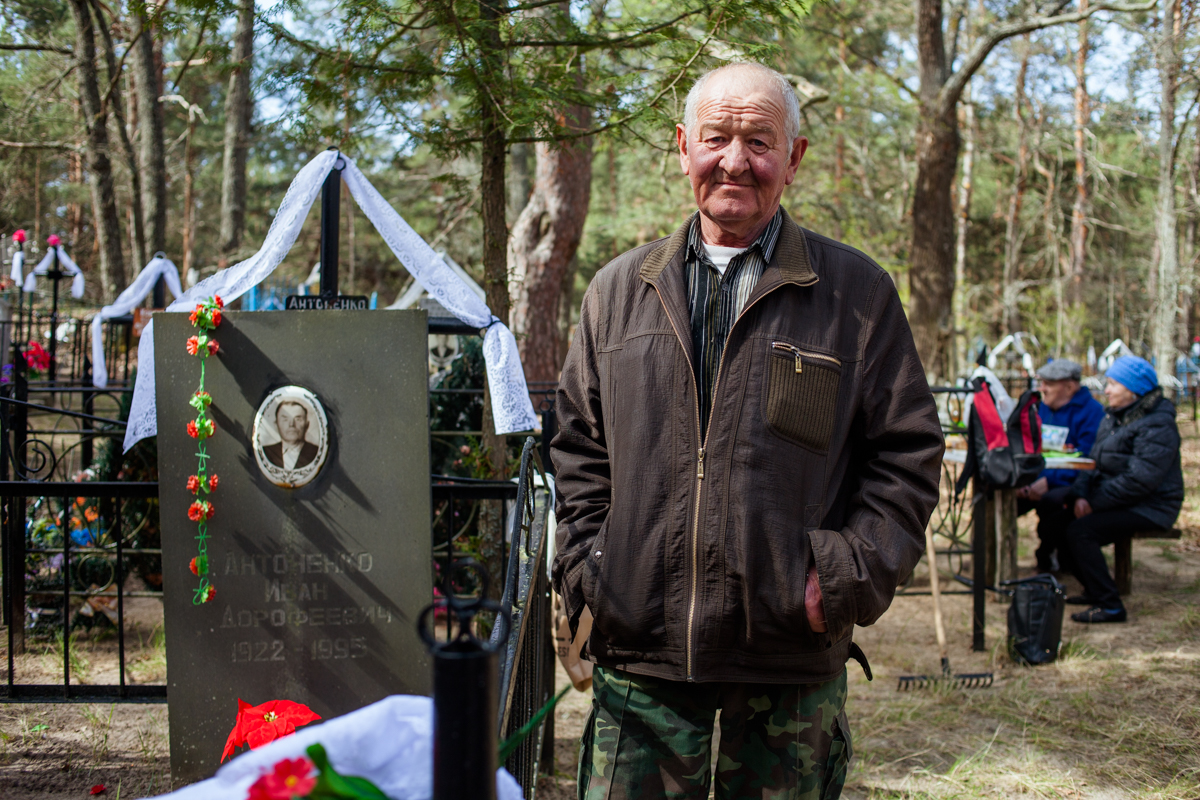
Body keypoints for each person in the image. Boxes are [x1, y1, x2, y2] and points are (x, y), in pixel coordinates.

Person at [551, 62, 944, 800]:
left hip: (788, 666)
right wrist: (594, 569)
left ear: (793, 158)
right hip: (642, 665)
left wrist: (845, 574)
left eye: (760, 141)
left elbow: (907, 455)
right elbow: (577, 447)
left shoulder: (855, 294)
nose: (736, 160)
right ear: (682, 147)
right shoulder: (617, 292)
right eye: (717, 137)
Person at [1040, 355, 1183, 623]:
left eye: (1113, 384)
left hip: (1151, 505)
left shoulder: (1157, 424)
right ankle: (1094, 590)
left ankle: (1111, 604)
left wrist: (1094, 502)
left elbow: (1140, 480)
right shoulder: (1114, 418)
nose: (1106, 390)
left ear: (1133, 389)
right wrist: (1080, 494)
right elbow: (1092, 463)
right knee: (1056, 522)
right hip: (1116, 499)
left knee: (1081, 532)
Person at [1015, 359, 1105, 572]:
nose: (1041, 388)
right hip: (1036, 479)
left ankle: (1050, 555)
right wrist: (1024, 478)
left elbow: (1088, 458)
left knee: (1052, 503)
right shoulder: (1041, 409)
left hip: (1068, 483)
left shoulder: (1092, 413)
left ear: (1070, 387)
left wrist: (1050, 481)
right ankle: (991, 561)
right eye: (1041, 382)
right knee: (997, 495)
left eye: (1048, 384)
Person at [262, 401, 319, 470]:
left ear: (307, 425)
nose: (291, 424)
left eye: (298, 419)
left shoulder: (317, 452)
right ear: (276, 425)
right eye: (285, 419)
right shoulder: (265, 452)